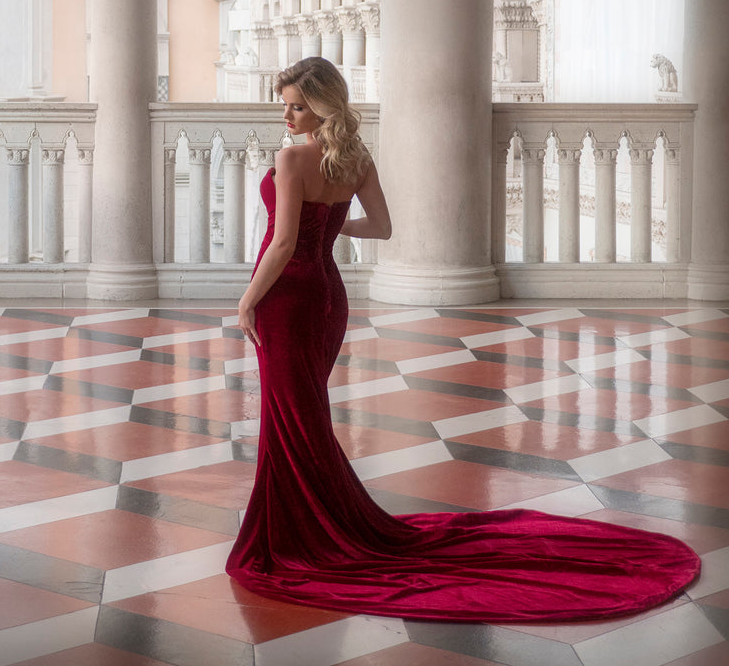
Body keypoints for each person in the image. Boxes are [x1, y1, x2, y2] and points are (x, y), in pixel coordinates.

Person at [226, 56, 700, 622]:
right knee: (301, 416)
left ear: (323, 105)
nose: (287, 114)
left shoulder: (292, 158)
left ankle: (307, 536)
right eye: (284, 103)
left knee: (293, 417)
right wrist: (327, 226)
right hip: (327, 297)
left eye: (297, 105)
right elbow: (381, 227)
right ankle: (311, 523)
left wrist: (248, 299)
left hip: (287, 298)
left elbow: (280, 247)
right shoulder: (354, 157)